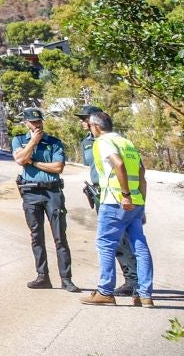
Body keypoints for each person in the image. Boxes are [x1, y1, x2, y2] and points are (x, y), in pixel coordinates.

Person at [80, 109, 155, 307]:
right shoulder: (126, 142)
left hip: (115, 200)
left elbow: (118, 164)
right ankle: (145, 294)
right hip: (136, 203)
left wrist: (126, 195)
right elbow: (141, 173)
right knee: (140, 247)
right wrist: (140, 203)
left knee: (105, 244)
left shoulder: (103, 142)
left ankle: (105, 291)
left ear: (95, 127)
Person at [12, 107, 80, 291]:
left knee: (60, 237)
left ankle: (66, 279)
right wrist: (33, 142)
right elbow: (19, 159)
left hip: (52, 192)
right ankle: (42, 276)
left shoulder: (54, 142)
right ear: (26, 123)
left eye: (39, 121)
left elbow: (58, 167)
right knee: (36, 236)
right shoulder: (19, 140)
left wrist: (33, 162)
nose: (37, 125)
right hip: (31, 192)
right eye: (33, 122)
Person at [77, 104, 137, 297]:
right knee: (117, 241)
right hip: (100, 192)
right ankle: (135, 283)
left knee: (119, 239)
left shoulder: (110, 141)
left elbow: (121, 165)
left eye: (85, 118)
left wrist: (126, 194)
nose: (82, 122)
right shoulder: (88, 141)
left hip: (115, 193)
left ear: (94, 121)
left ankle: (130, 282)